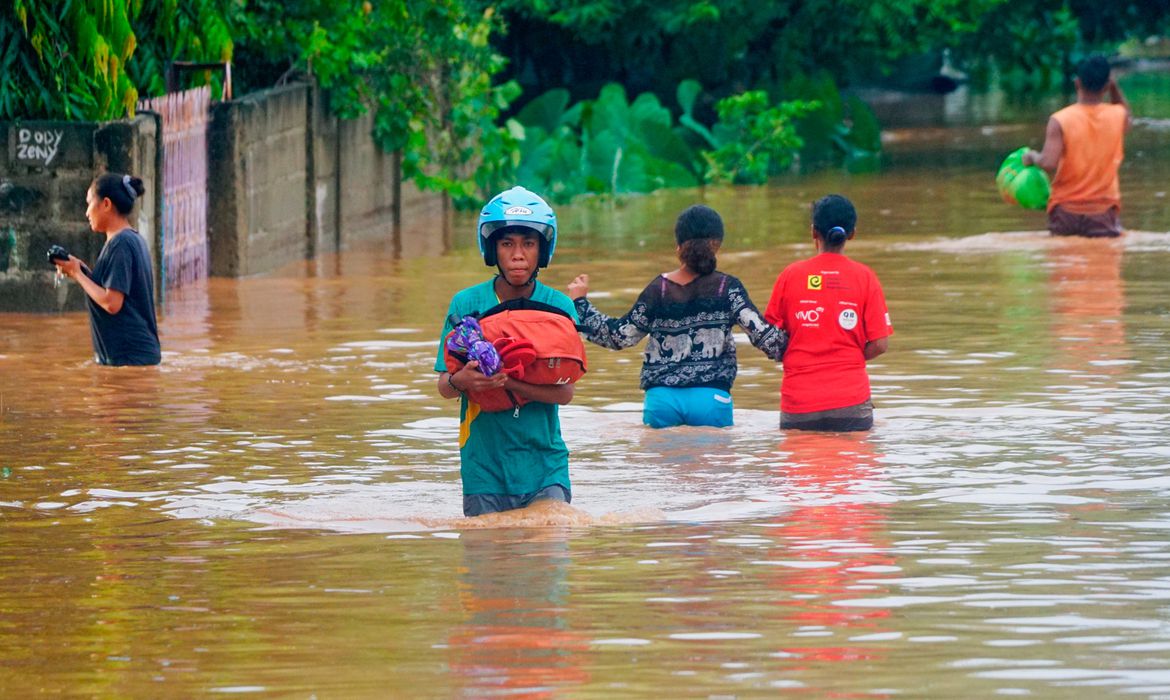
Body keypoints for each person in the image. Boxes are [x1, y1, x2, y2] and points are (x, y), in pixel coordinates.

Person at [569, 204, 787, 428]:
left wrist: (580, 303)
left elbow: (619, 336)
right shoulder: (727, 288)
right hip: (710, 400)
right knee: (715, 463)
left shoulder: (658, 290)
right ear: (717, 244)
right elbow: (766, 338)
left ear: (678, 247)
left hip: (661, 401)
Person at [434, 186, 579, 517]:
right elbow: (444, 387)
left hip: (545, 464)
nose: (518, 254)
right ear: (492, 250)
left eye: (528, 244)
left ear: (542, 250)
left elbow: (565, 392)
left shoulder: (560, 307)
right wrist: (463, 381)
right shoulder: (465, 305)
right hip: (483, 467)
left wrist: (508, 383)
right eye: (507, 243)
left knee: (548, 556)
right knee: (490, 565)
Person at [764, 194, 892, 431]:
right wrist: (847, 360)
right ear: (852, 233)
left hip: (799, 403)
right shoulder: (866, 278)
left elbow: (769, 336)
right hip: (851, 402)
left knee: (799, 467)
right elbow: (880, 344)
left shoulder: (790, 276)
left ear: (813, 231)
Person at [53, 172, 161, 366]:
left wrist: (78, 274)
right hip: (135, 359)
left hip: (129, 361)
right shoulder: (132, 239)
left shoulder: (120, 244)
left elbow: (112, 303)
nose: (86, 212)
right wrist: (81, 270)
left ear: (106, 204)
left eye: (89, 203)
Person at [1022, 54, 1131, 237]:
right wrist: (1114, 88)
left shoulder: (1060, 119)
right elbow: (1127, 117)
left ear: (1077, 83)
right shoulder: (1117, 115)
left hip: (1065, 212)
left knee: (1064, 261)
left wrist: (1032, 156)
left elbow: (1048, 163)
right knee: (1103, 263)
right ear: (1106, 86)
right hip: (1102, 212)